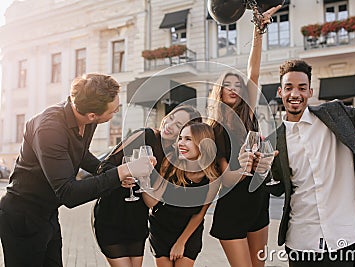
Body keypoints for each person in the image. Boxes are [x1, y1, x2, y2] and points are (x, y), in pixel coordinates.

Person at [0, 73, 155, 267]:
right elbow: (69, 193)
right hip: (23, 217)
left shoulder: (86, 120)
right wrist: (121, 172)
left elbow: (81, 154)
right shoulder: (50, 128)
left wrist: (109, 171)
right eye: (113, 112)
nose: (116, 112)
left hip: (48, 214)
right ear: (92, 115)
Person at [264, 53, 355, 266]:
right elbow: (278, 188)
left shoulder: (335, 114)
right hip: (300, 239)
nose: (295, 93)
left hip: (341, 237)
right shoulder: (275, 139)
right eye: (288, 87)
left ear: (310, 91)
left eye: (301, 87)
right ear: (280, 92)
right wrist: (261, 172)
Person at [207, 5, 282, 267]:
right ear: (219, 90)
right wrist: (246, 165)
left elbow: (253, 71)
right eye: (227, 85)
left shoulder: (248, 113)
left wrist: (258, 28)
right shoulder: (213, 129)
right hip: (232, 208)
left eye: (237, 85)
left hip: (258, 202)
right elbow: (226, 178)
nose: (234, 88)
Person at [93, 105, 202, 267]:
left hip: (137, 220)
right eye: (170, 118)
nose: (169, 125)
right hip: (112, 215)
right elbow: (104, 166)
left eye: (178, 126)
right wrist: (120, 176)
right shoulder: (145, 135)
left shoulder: (174, 156)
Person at [143, 122, 220, 267]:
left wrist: (181, 242)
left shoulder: (212, 177)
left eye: (188, 139)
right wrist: (143, 180)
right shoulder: (169, 165)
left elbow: (199, 214)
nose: (181, 143)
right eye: (181, 138)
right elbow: (152, 203)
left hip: (189, 232)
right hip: (161, 228)